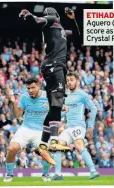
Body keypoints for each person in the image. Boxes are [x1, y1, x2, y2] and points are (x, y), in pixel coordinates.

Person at [19, 7, 80, 163]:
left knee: (54, 107)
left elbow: (77, 34)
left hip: (53, 67)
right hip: (55, 66)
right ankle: (54, 141)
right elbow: (40, 20)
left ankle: (43, 145)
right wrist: (30, 15)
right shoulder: (52, 22)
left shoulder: (60, 31)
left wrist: (72, 18)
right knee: (57, 103)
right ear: (56, 15)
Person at [48, 72, 100, 180]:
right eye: (67, 81)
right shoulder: (66, 95)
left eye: (71, 80)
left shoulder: (82, 94)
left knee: (79, 145)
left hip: (79, 126)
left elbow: (94, 109)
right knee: (56, 146)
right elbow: (66, 112)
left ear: (77, 80)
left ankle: (93, 171)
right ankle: (58, 174)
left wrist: (90, 126)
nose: (69, 82)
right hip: (69, 127)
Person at [4, 77, 53, 183]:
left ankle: (45, 174)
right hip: (26, 128)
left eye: (33, 88)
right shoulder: (24, 97)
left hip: (41, 130)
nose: (30, 90)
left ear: (39, 86)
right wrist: (13, 102)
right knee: (12, 149)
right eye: (28, 88)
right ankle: (9, 173)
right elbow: (18, 115)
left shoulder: (48, 97)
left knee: (45, 152)